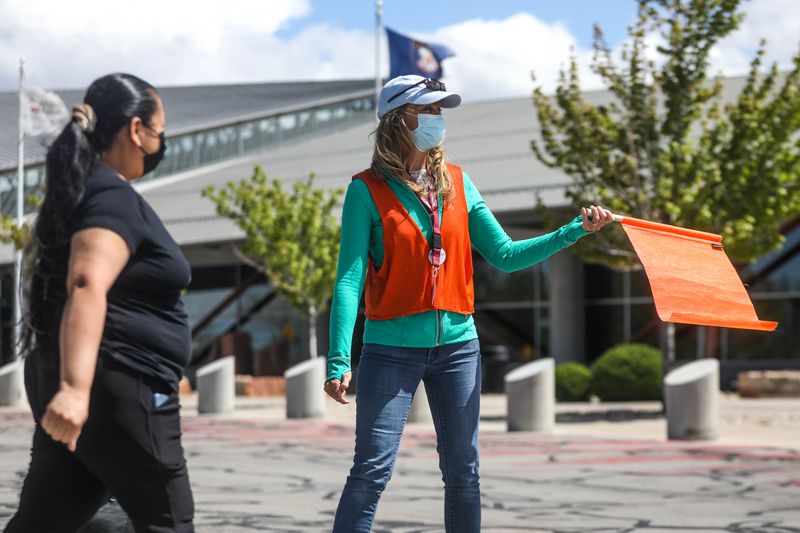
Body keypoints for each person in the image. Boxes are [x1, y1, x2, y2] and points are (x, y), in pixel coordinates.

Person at [324, 75, 614, 532]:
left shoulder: (458, 183)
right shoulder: (366, 190)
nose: (438, 119)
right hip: (389, 350)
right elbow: (348, 281)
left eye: (441, 110)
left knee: (464, 473)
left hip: (460, 348)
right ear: (399, 119)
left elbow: (505, 254)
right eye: (429, 110)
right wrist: (340, 359)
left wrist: (573, 231)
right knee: (371, 471)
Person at [4, 73, 195, 533]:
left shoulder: (84, 192)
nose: (160, 142)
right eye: (159, 131)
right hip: (120, 390)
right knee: (168, 522)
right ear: (135, 131)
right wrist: (74, 388)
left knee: (44, 520)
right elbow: (87, 282)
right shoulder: (111, 197)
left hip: (93, 389)